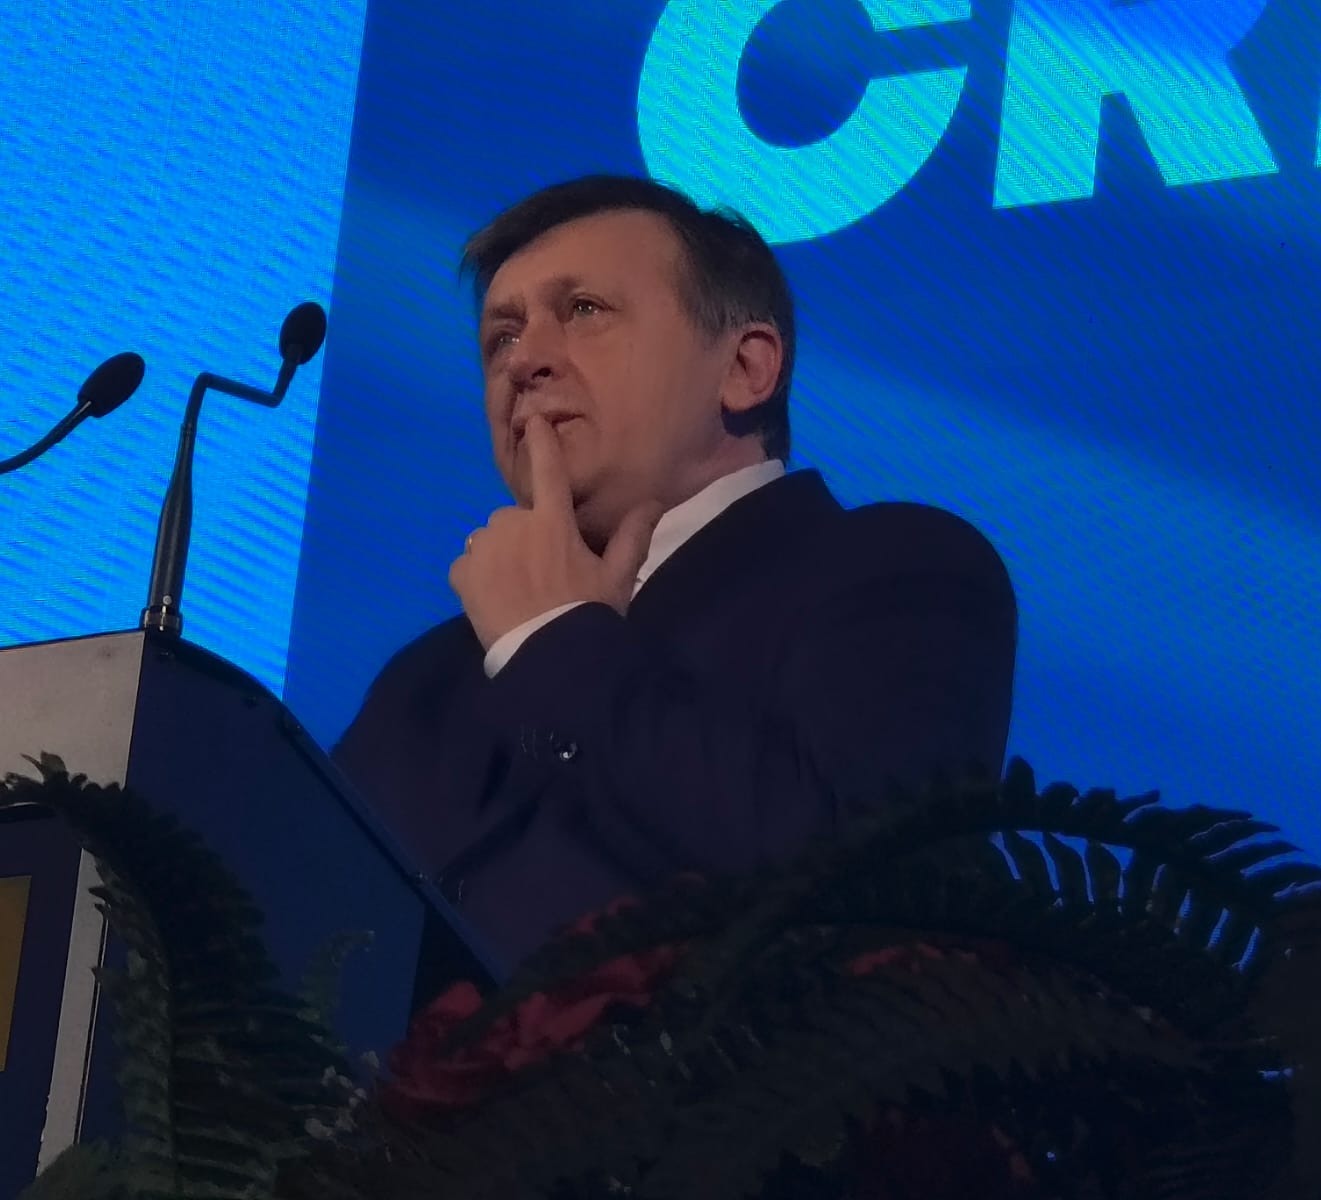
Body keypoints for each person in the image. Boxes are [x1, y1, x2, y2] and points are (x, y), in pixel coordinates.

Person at [333, 175, 1017, 973]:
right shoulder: (423, 680)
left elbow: (860, 880)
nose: (525, 362)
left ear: (746, 369)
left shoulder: (897, 569)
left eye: (584, 310)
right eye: (501, 338)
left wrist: (554, 641)